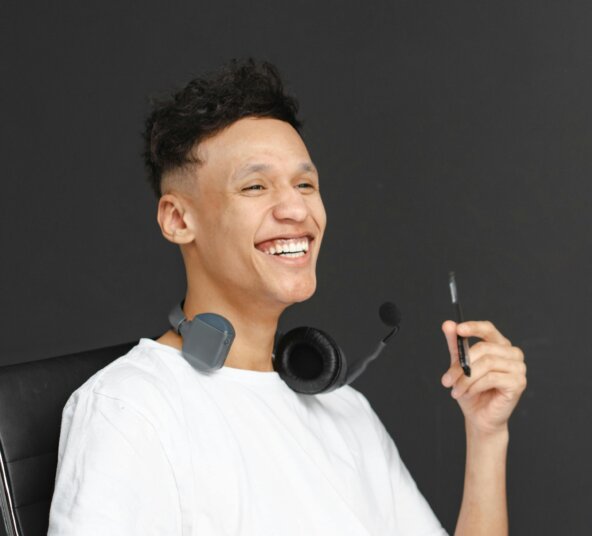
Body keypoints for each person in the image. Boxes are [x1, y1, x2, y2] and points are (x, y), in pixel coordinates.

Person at [48, 59, 527, 535]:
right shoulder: (131, 409)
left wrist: (487, 435)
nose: (296, 208)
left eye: (305, 184)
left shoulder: (346, 411)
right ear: (178, 220)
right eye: (255, 186)